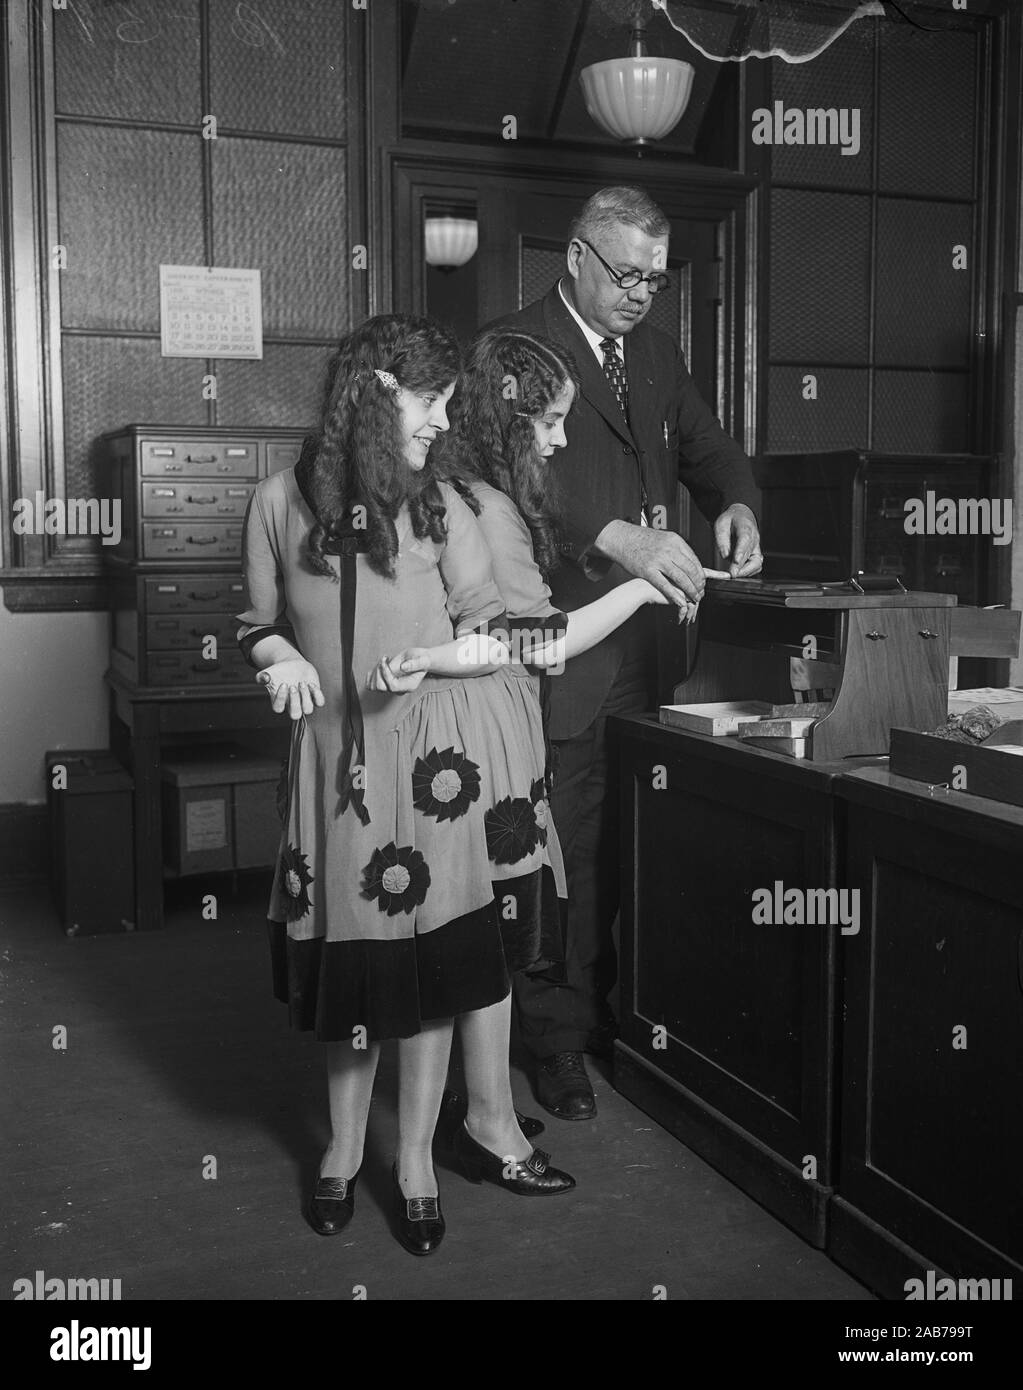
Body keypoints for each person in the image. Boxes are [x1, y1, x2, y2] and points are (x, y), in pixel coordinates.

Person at [235, 314, 574, 1259]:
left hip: (432, 781)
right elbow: (254, 623)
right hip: (331, 779)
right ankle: (343, 1153)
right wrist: (275, 661)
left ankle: (418, 1163)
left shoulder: (441, 508)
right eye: (430, 402)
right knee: (357, 979)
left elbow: (496, 635)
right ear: (380, 393)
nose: (442, 420)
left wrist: (433, 661)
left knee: (430, 980)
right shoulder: (276, 501)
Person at [491, 186, 763, 1121]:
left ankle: (625, 1016)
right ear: (574, 256)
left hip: (653, 648)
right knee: (563, 847)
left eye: (655, 277)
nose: (642, 293)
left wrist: (734, 502)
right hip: (560, 644)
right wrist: (621, 539)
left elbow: (708, 447)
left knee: (640, 842)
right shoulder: (514, 348)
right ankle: (555, 1043)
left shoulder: (653, 349)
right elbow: (511, 478)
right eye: (624, 274)